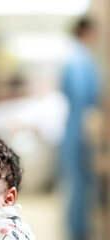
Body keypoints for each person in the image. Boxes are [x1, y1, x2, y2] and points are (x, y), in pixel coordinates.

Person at [59, 16, 100, 240]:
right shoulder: (78, 58)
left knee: (78, 184)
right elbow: (80, 97)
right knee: (79, 186)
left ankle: (78, 230)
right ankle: (77, 233)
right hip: (79, 129)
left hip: (76, 127)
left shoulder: (75, 56)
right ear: (86, 31)